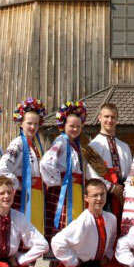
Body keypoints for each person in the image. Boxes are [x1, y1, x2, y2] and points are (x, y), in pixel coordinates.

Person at [40, 101, 105, 239]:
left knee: (74, 221)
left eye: (78, 126)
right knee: (65, 224)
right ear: (63, 126)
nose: (75, 129)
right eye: (71, 126)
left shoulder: (74, 143)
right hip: (64, 191)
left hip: (74, 189)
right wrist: (60, 179)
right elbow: (46, 162)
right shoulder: (61, 141)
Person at [0, 97, 47, 234]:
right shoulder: (17, 144)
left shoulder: (36, 145)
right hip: (24, 197)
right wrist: (17, 183)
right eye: (29, 123)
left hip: (34, 196)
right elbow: (2, 169)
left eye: (36, 124)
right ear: (21, 124)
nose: (33, 127)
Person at [87, 103, 131, 222]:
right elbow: (91, 174)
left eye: (113, 117)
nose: (109, 120)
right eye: (106, 116)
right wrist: (111, 188)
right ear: (99, 118)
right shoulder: (93, 146)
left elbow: (130, 172)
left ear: (117, 119)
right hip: (102, 195)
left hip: (123, 195)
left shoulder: (124, 147)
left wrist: (124, 189)